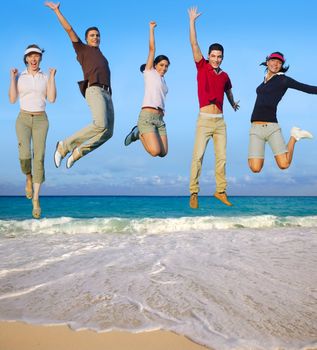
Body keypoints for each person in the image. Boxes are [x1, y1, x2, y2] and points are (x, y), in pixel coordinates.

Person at [45, 1, 114, 169]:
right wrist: (57, 11)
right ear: (86, 39)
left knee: (108, 132)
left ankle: (78, 152)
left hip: (108, 94)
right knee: (100, 124)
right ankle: (64, 146)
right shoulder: (82, 49)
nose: (95, 37)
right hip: (94, 89)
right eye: (92, 35)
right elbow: (69, 30)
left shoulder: (102, 56)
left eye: (97, 35)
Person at [188, 7, 239, 209]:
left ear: (222, 58)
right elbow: (193, 43)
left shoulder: (225, 75)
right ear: (208, 55)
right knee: (198, 156)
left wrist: (233, 103)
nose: (216, 59)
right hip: (204, 120)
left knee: (222, 158)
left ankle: (220, 191)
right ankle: (193, 192)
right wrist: (192, 21)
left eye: (219, 56)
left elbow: (228, 91)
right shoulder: (202, 66)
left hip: (220, 121)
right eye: (214, 55)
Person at [9, 44, 57, 219]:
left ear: (40, 58)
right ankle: (28, 177)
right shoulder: (20, 76)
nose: (34, 58)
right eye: (31, 56)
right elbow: (13, 99)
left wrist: (52, 77)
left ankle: (36, 199)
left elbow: (51, 99)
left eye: (37, 55)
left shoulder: (45, 76)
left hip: (41, 120)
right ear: (26, 59)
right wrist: (12, 78)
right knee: (24, 155)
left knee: (39, 157)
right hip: (22, 119)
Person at [248, 52, 315, 173]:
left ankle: (294, 136)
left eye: (279, 62)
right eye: (273, 60)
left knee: (284, 164)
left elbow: (306, 88)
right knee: (255, 168)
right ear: (267, 62)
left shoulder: (283, 79)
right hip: (255, 128)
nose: (276, 64)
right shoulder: (264, 82)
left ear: (281, 66)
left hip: (272, 126)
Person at [124, 21, 169, 158]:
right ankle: (137, 132)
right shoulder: (150, 73)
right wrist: (151, 29)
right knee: (154, 152)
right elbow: (152, 49)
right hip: (147, 117)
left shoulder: (164, 81)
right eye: (161, 65)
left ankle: (139, 132)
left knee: (163, 153)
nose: (164, 68)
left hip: (160, 119)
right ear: (154, 65)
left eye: (166, 66)